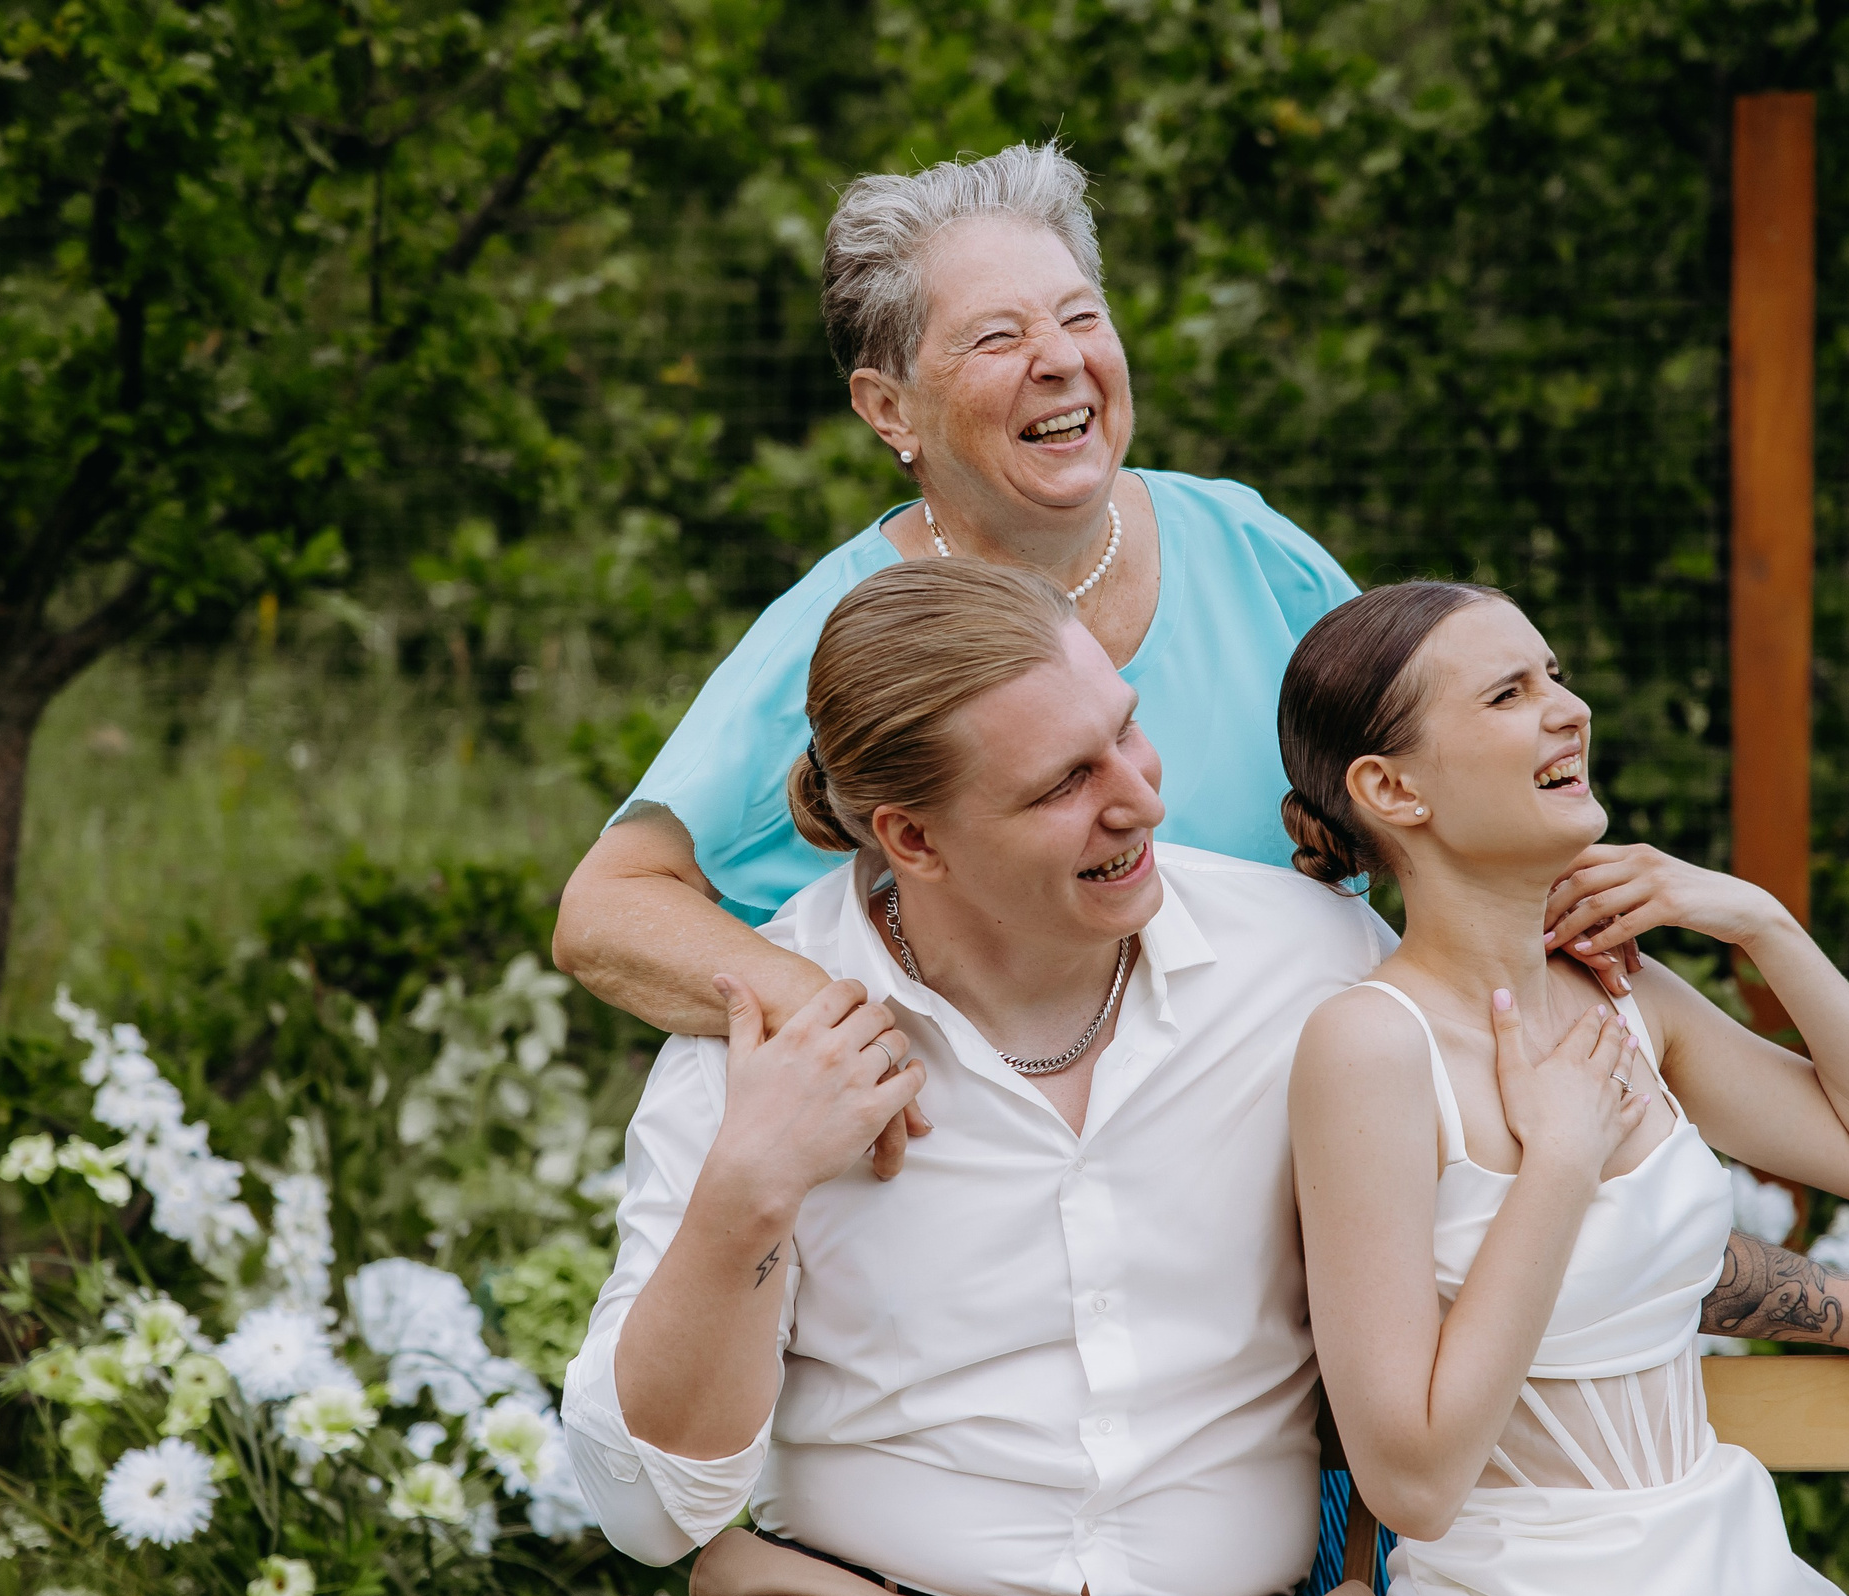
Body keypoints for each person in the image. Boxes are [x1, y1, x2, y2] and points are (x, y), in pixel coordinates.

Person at [564, 561, 1849, 1596]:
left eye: (1129, 735)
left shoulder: (1306, 966)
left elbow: (1497, 1206)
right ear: (911, 837)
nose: (1142, 800)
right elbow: (649, 1511)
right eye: (1066, 782)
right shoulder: (766, 1043)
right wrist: (746, 1190)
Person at [1277, 582, 1849, 1596]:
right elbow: (1413, 1484)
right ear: (1393, 788)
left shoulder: (1627, 1000)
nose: (1566, 710)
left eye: (1557, 676)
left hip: (1732, 1589)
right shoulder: (1368, 1047)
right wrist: (1561, 1165)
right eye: (1509, 693)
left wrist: (1755, 918)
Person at [552, 140, 1359, 1070]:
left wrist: (1551, 875)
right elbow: (608, 909)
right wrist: (847, 1030)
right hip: (1003, 1159)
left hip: (1296, 1129)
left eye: (1080, 315)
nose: (1059, 359)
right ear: (889, 409)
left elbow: (1433, 777)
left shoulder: (1244, 542)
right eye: (997, 336)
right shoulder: (846, 632)